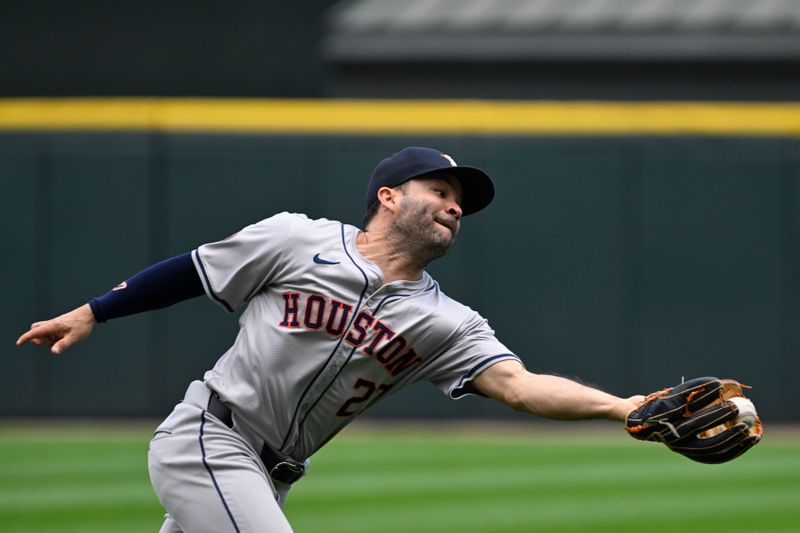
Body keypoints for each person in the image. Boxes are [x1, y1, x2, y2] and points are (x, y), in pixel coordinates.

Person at [17, 146, 644, 533]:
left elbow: (520, 386)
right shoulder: (298, 239)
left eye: (461, 204)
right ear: (389, 196)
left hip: (274, 476)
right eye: (442, 192)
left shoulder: (446, 321)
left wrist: (624, 407)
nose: (455, 207)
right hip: (210, 439)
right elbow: (193, 269)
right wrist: (93, 312)